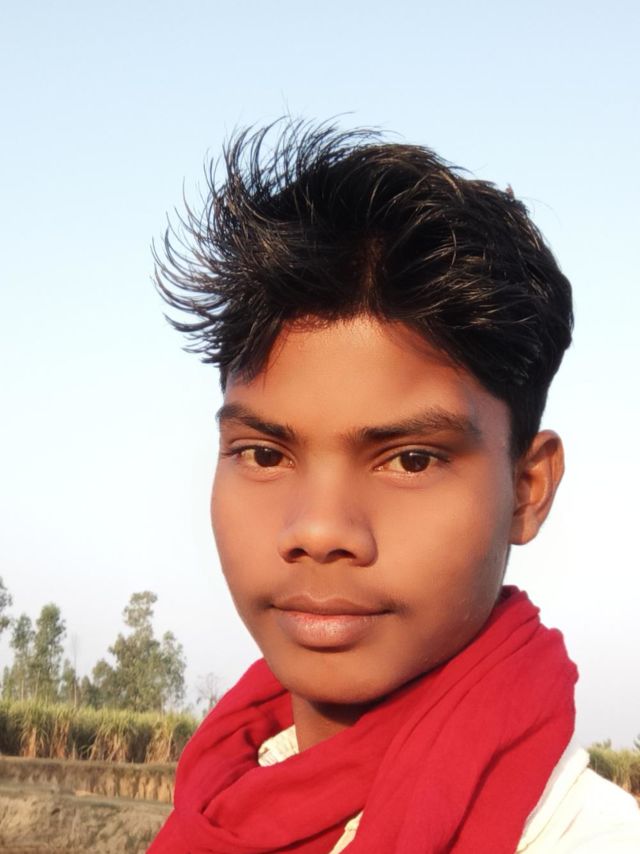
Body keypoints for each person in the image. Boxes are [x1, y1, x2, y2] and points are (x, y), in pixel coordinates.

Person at [148, 122, 640, 853]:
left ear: (528, 488)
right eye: (263, 453)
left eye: (410, 460)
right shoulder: (213, 799)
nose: (318, 530)